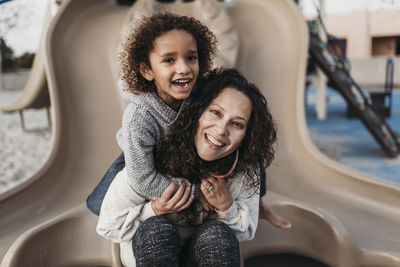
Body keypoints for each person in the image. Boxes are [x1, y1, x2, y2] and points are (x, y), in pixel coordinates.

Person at [97, 68, 283, 267]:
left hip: (204, 257)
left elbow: (246, 231)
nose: (221, 130)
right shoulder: (150, 158)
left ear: (248, 134)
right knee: (156, 231)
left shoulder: (245, 170)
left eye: (237, 124)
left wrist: (226, 207)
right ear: (197, 111)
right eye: (215, 112)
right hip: (151, 254)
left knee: (217, 237)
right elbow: (108, 226)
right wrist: (154, 209)